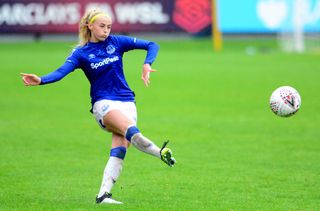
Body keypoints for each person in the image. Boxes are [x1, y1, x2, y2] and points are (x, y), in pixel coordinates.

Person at [20, 8, 176, 205]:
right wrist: (41, 80)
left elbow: (152, 45)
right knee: (133, 133)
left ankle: (103, 195)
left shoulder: (116, 42)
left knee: (120, 147)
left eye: (109, 27)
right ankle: (160, 152)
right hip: (103, 104)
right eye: (102, 26)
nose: (106, 31)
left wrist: (147, 64)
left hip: (127, 101)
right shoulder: (81, 53)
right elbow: (61, 72)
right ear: (90, 26)